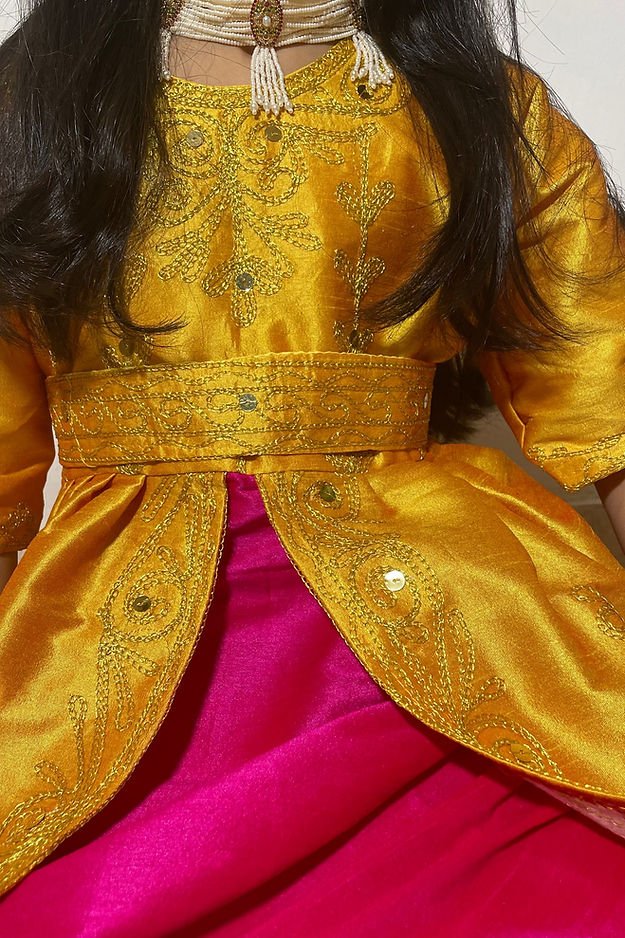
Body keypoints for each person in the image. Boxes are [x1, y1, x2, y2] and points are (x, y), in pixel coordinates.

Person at [2, 0, 625, 933]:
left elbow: (605, 396)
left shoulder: (479, 106)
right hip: (113, 662)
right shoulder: (29, 109)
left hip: (460, 634)